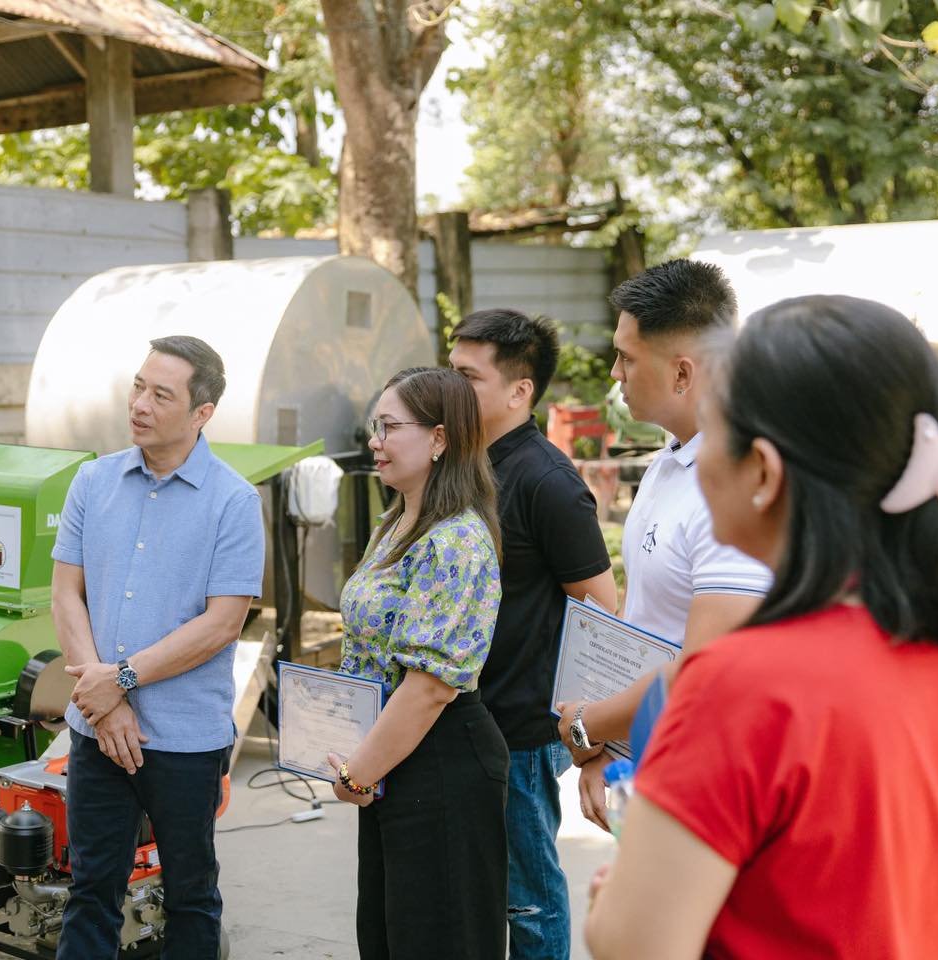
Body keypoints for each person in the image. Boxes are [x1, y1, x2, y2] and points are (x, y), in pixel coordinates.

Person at [585, 295, 938, 959]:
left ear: (762, 470)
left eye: (713, 428)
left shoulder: (736, 687)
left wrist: (611, 903)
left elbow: (633, 944)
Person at [52, 335, 264, 960]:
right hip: (96, 730)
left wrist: (119, 680)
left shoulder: (234, 501)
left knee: (190, 895)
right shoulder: (92, 480)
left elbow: (222, 624)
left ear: (202, 413)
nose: (140, 404)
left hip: (185, 740)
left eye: (161, 395)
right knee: (90, 890)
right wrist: (105, 701)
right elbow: (66, 594)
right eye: (138, 387)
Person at [554, 260, 770, 825]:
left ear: (682, 373)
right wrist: (607, 746)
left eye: (627, 357)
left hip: (711, 781)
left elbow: (708, 668)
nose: (615, 373)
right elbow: (648, 622)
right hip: (652, 761)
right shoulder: (668, 463)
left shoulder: (735, 486)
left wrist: (590, 727)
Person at [448, 309, 616, 960]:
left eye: (469, 376)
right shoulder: (459, 464)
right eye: (450, 370)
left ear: (520, 391)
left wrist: (593, 742)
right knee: (472, 893)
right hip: (451, 715)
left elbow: (600, 614)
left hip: (518, 730)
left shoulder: (547, 480)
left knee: (528, 898)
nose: (452, 386)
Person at [329, 366, 507, 960]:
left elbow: (429, 687)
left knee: (436, 940)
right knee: (388, 936)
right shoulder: (399, 519)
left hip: (439, 759)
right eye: (373, 426)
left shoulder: (455, 540)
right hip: (392, 753)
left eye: (389, 427)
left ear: (439, 438)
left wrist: (359, 773)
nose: (374, 440)